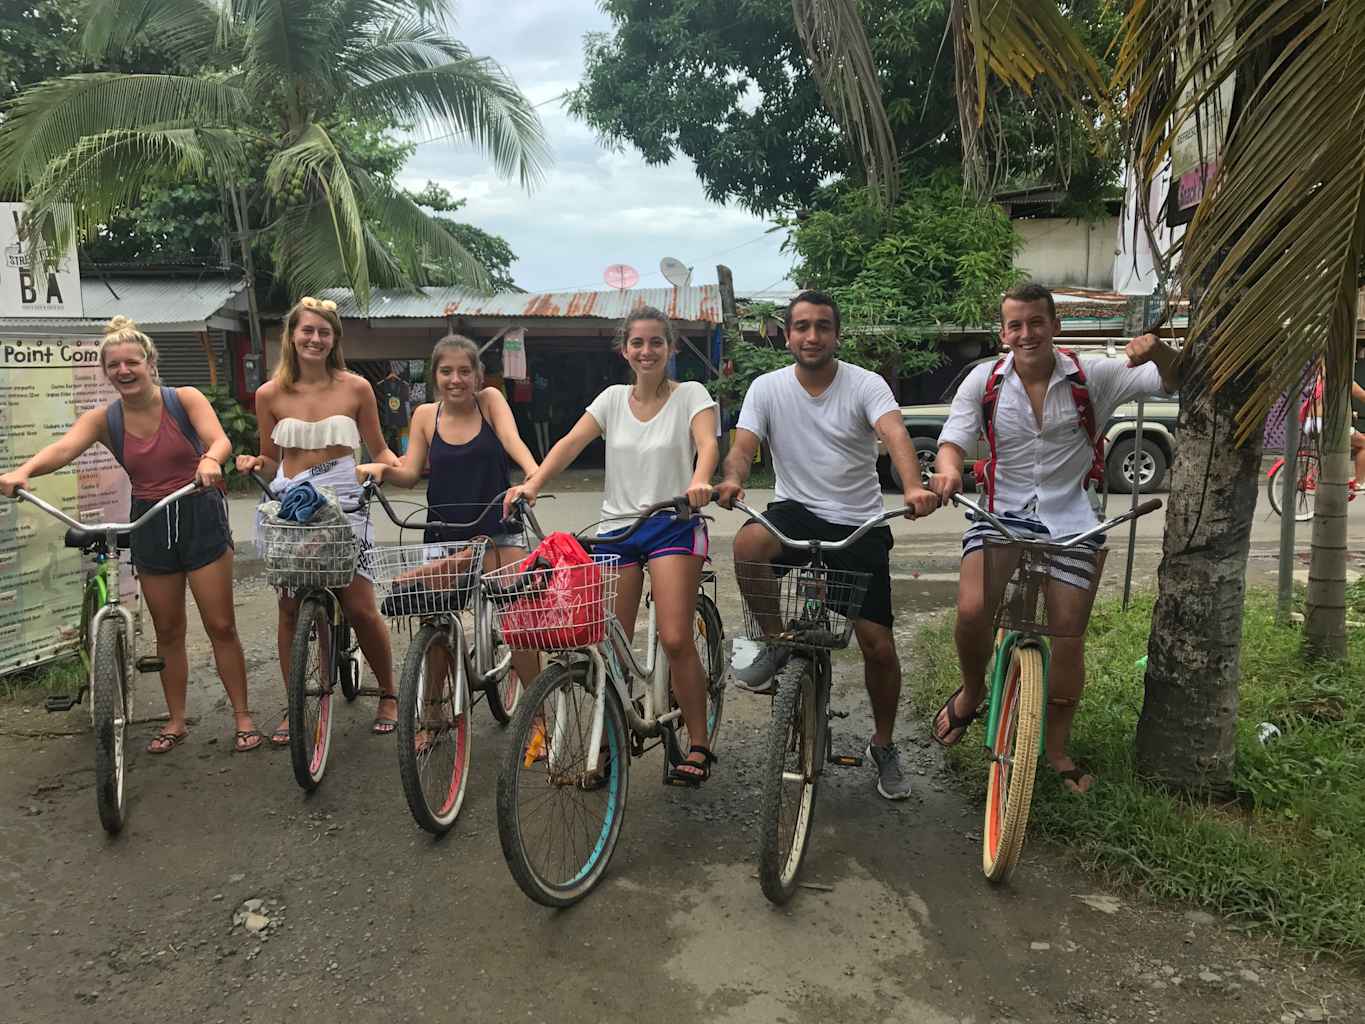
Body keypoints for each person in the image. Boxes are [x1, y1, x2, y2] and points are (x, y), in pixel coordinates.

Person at [928, 281, 1183, 794]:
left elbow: (1175, 381)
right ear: (1003, 333)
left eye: (1036, 322)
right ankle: (972, 694)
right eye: (1015, 325)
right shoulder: (984, 381)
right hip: (1002, 513)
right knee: (975, 610)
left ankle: (1058, 748)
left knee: (1067, 635)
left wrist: (1162, 350)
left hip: (1075, 519)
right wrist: (949, 471)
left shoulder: (1095, 374)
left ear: (1055, 326)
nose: (1026, 333)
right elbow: (952, 441)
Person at [715, 290, 939, 801]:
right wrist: (731, 479)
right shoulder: (767, 389)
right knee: (748, 544)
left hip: (858, 521)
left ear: (837, 335)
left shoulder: (865, 384)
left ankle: (883, 745)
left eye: (821, 326)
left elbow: (896, 434)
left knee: (877, 645)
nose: (811, 336)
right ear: (786, 335)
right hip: (796, 509)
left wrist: (911, 487)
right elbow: (743, 447)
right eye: (801, 327)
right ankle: (776, 640)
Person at [0, 316, 260, 753]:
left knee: (220, 624)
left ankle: (243, 715)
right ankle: (176, 720)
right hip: (149, 518)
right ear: (107, 372)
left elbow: (219, 441)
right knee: (168, 629)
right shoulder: (105, 419)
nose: (124, 371)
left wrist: (210, 461)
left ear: (150, 363)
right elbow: (64, 449)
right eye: (114, 365)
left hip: (197, 509)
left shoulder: (184, 400)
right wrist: (23, 471)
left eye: (132, 362)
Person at [503, 307, 720, 784]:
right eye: (637, 343)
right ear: (624, 349)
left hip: (672, 523)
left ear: (671, 348)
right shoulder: (611, 399)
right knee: (607, 645)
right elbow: (569, 443)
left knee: (676, 635)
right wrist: (533, 483)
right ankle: (608, 741)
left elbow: (707, 444)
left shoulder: (691, 396)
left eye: (656, 343)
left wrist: (701, 480)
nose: (647, 351)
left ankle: (700, 744)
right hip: (617, 530)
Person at [235, 296, 402, 741]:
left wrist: (390, 467)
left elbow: (379, 448)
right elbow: (273, 461)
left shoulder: (356, 388)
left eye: (323, 332)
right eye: (306, 330)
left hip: (347, 503)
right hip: (295, 506)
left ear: (334, 340)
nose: (314, 339)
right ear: (292, 335)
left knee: (360, 606)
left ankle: (388, 692)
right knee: (289, 608)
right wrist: (256, 462)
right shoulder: (268, 394)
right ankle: (296, 705)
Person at [357, 334, 542, 707]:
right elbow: (410, 474)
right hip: (443, 532)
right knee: (435, 623)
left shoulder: (490, 402)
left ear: (477, 376)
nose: (455, 379)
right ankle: (432, 713)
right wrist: (381, 468)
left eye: (463, 371)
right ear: (434, 376)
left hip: (497, 529)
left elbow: (512, 440)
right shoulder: (426, 415)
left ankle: (538, 714)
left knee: (516, 620)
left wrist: (532, 476)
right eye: (446, 371)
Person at [1300, 360, 1365, 486]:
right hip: (1325, 425)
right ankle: (1358, 483)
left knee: (1327, 450)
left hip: (1310, 423)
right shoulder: (1343, 380)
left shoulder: (1319, 379)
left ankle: (1311, 476)